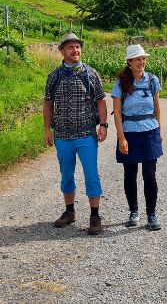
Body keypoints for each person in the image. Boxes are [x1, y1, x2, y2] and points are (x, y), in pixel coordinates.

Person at [43, 33, 108, 235]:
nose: (75, 51)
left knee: (91, 175)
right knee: (66, 176)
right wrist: (46, 129)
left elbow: (101, 101)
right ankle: (70, 212)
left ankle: (95, 216)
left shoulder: (91, 74)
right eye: (70, 47)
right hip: (62, 136)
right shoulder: (54, 76)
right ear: (62, 51)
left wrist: (103, 125)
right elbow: (48, 104)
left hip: (86, 134)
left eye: (78, 47)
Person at [111, 44, 163, 230]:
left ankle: (151, 214)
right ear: (129, 62)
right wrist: (121, 138)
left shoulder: (152, 80)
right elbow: (117, 112)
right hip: (129, 134)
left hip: (150, 132)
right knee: (130, 175)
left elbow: (156, 107)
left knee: (149, 175)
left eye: (143, 59)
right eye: (137, 59)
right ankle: (133, 212)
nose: (141, 62)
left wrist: (160, 130)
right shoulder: (120, 83)